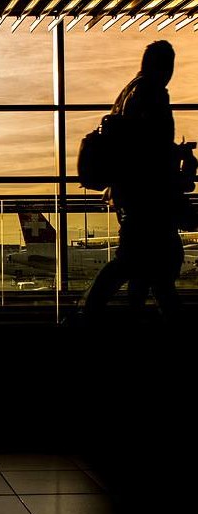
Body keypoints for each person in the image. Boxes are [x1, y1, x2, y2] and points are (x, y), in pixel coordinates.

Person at [81, 40, 195, 323]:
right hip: (147, 196)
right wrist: (177, 157)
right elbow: (150, 148)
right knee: (147, 261)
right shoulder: (152, 93)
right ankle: (91, 313)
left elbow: (138, 145)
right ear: (165, 65)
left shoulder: (128, 93)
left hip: (130, 194)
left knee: (143, 261)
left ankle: (104, 313)